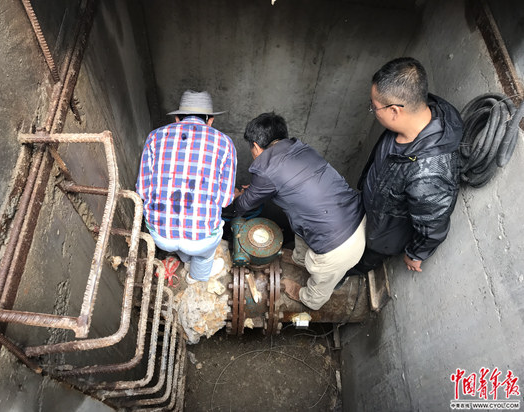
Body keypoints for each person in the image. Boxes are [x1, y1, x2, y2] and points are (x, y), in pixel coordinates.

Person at [234, 112, 366, 310]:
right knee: (301, 223)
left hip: (338, 249)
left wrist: (237, 198)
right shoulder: (302, 148)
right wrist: (255, 191)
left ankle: (306, 298)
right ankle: (300, 260)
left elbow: (242, 206)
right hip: (357, 217)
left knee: (320, 286)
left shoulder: (266, 168)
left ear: (256, 146)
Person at [350, 57, 463, 276]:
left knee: (362, 261)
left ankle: (354, 273)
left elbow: (432, 224)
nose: (373, 111)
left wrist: (415, 254)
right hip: (370, 211)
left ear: (394, 111)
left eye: (374, 107)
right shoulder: (413, 117)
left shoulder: (429, 174)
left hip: (382, 237)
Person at [136, 90, 237, 283]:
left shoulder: (154, 137)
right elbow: (225, 200)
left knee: (181, 241)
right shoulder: (225, 143)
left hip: (160, 236)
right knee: (205, 253)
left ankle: (184, 256)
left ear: (177, 118)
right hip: (201, 239)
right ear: (210, 121)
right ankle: (195, 276)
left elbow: (142, 190)